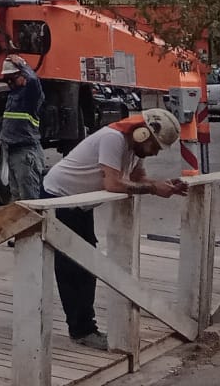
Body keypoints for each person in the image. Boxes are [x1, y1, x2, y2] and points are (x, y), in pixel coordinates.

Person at [40, 108, 188, 350]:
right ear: (142, 134)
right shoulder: (113, 139)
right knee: (73, 268)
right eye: (155, 147)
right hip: (59, 199)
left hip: (79, 205)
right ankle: (82, 329)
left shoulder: (134, 148)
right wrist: (153, 189)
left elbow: (138, 178)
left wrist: (163, 185)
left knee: (86, 264)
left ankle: (83, 328)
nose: (154, 153)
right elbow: (113, 184)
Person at [0, 55, 46, 202]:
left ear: (22, 75)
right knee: (17, 198)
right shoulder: (14, 94)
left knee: (29, 200)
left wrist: (22, 65)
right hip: (13, 151)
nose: (9, 83)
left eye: (12, 79)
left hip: (26, 153)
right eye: (7, 80)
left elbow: (34, 80)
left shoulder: (31, 95)